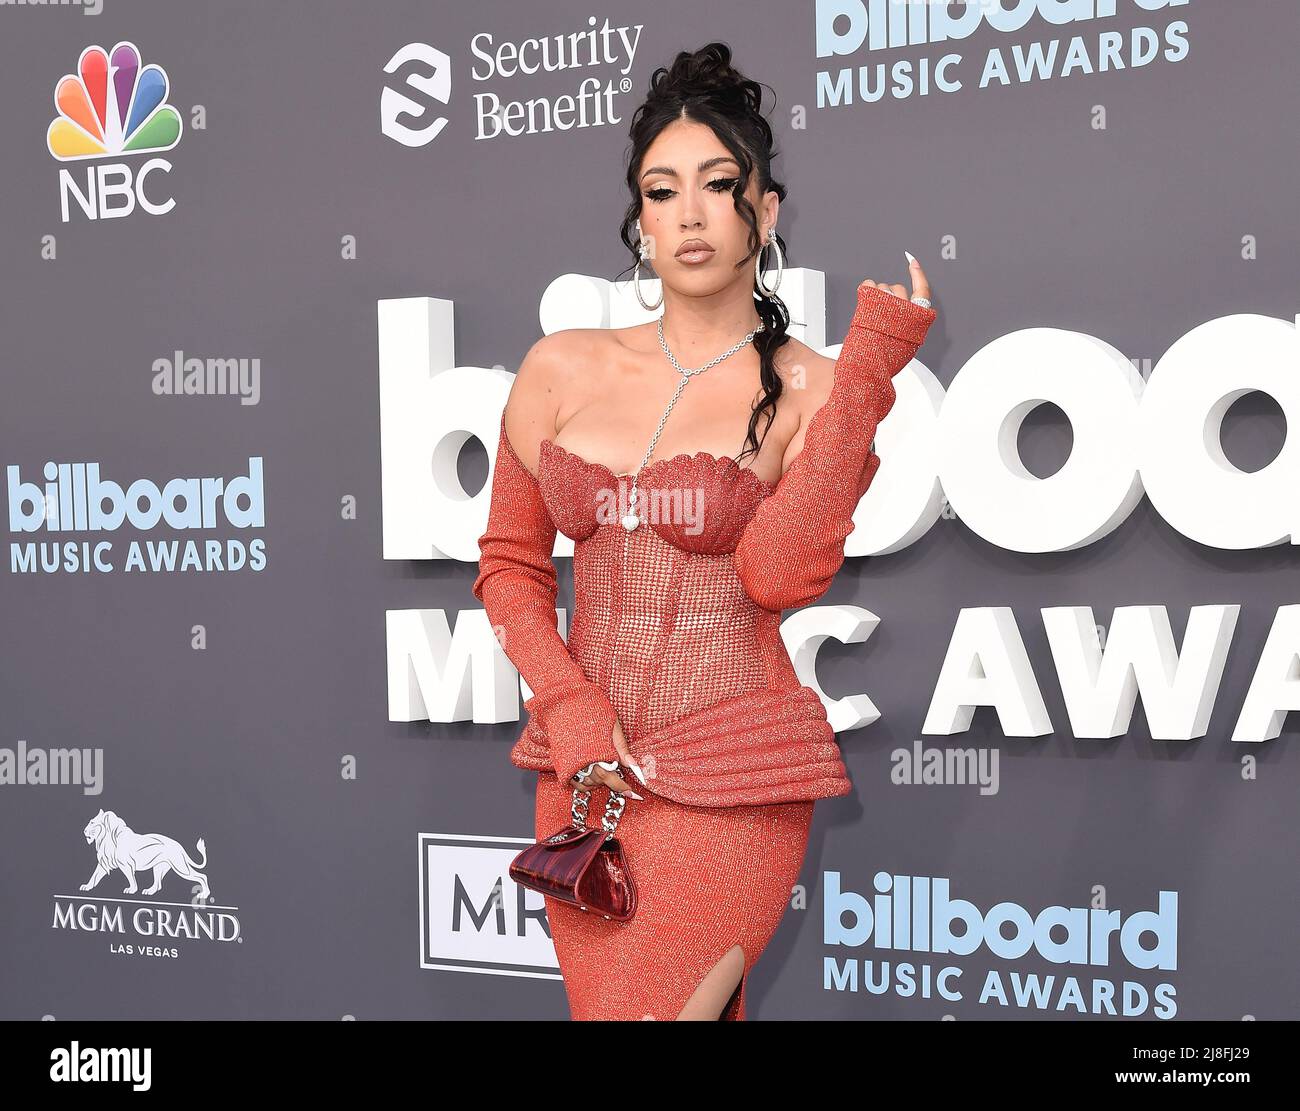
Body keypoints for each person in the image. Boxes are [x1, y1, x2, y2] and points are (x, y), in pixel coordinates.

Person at [472, 41, 937, 1020]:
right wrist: (563, 700)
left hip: (733, 779)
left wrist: (866, 378)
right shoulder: (558, 366)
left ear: (763, 213)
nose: (688, 214)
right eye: (660, 190)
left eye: (718, 186)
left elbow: (776, 575)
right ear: (637, 219)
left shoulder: (812, 383)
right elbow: (510, 565)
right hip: (587, 782)